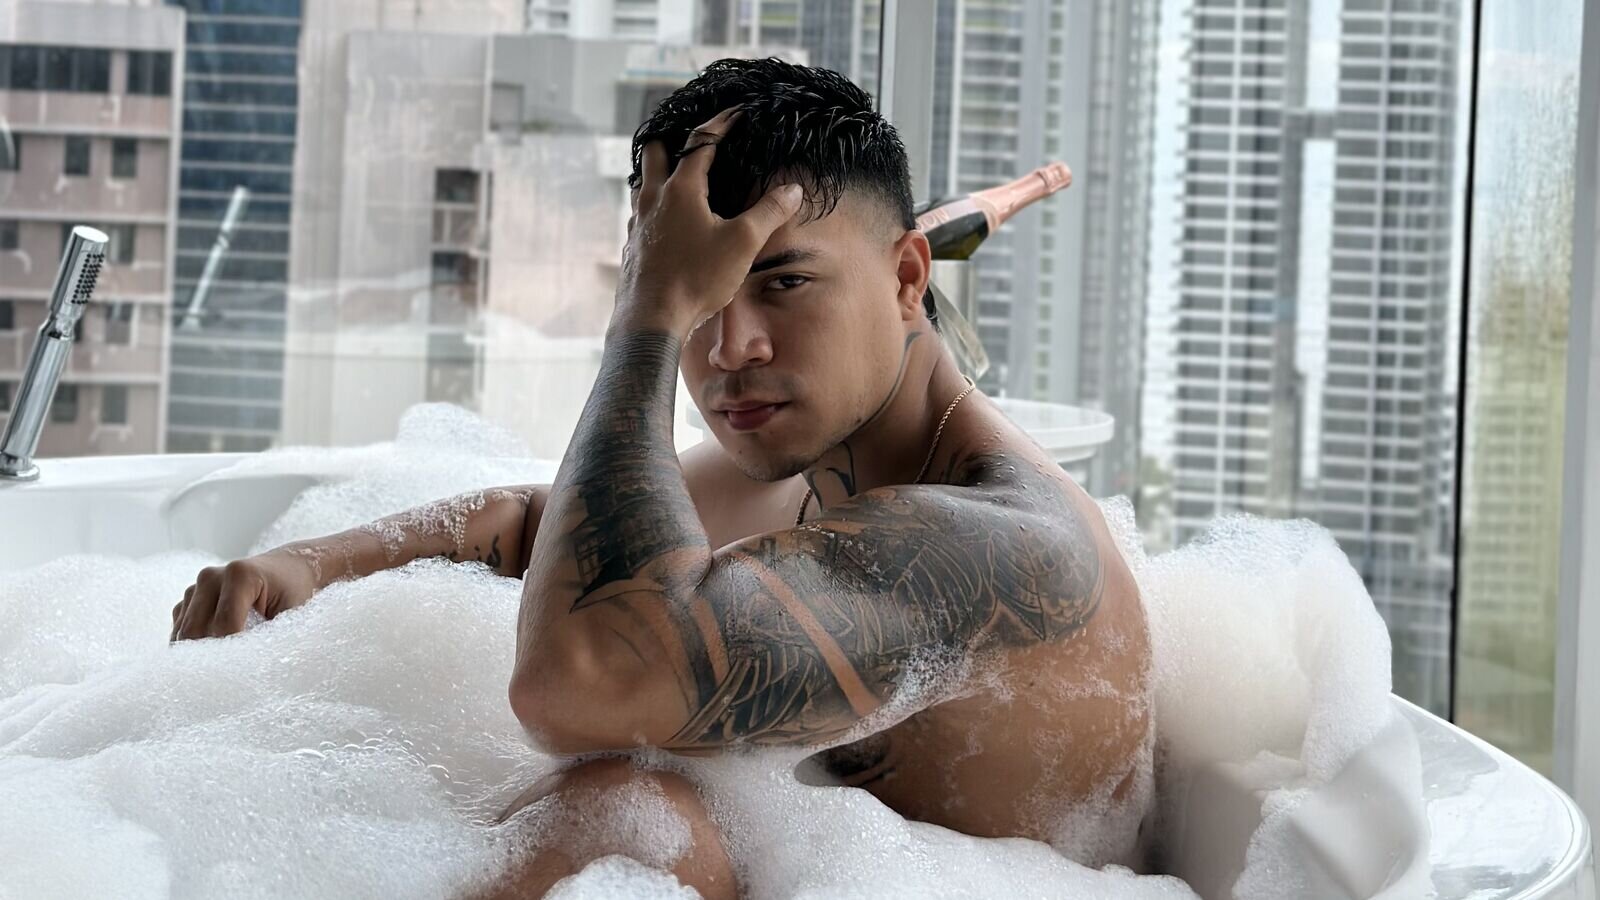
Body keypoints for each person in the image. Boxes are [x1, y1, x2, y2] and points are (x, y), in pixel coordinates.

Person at [170, 57, 1153, 898]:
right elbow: (538, 528)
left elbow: (578, 683)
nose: (727, 347)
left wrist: (646, 319)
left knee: (624, 822)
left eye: (783, 282)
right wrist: (309, 564)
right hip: (834, 863)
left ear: (906, 279)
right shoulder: (817, 460)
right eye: (701, 292)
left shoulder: (1005, 542)